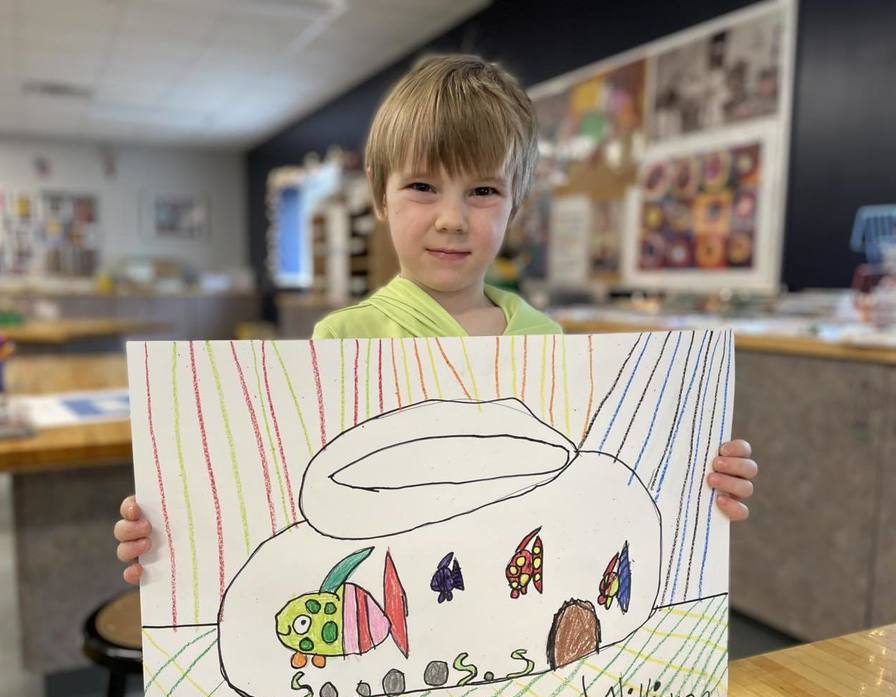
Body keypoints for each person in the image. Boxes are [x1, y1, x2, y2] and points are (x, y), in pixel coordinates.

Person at [115, 53, 758, 585]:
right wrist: (176, 541)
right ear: (379, 194)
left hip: (515, 619)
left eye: (482, 191)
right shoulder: (342, 343)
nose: (453, 218)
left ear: (516, 204)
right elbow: (283, 507)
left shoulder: (550, 344)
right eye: (423, 186)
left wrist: (698, 483)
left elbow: (586, 490)